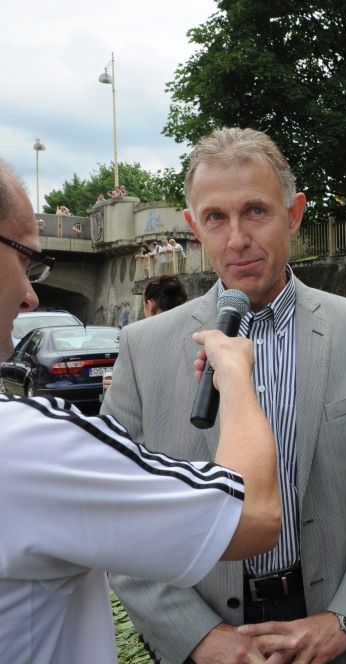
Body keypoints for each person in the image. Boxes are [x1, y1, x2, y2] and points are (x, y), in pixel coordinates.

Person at [102, 127, 346, 664]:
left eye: (256, 211)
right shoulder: (145, 348)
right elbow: (118, 512)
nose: (236, 238)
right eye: (216, 218)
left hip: (338, 634)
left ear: (294, 214)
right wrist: (199, 636)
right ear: (193, 227)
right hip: (212, 631)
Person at [0, 159, 283, 662]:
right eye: (27, 263)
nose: (30, 295)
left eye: (256, 211)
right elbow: (254, 515)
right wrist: (237, 378)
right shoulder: (23, 446)